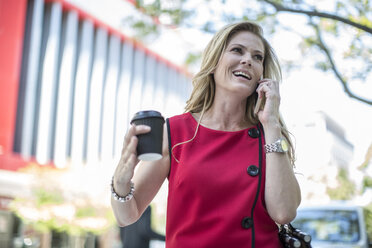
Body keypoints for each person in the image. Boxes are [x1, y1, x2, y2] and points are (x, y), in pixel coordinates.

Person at [111, 21, 301, 247]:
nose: (248, 60)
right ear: (213, 63)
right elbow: (127, 216)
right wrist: (121, 180)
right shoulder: (175, 132)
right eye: (237, 50)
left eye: (257, 57)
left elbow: (284, 213)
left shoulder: (268, 136)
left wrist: (271, 124)